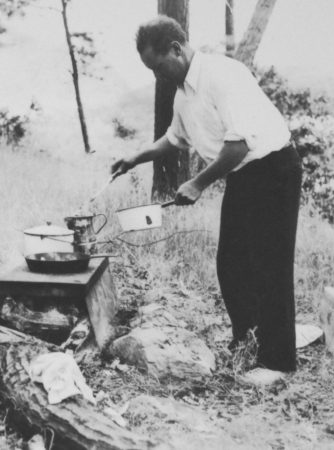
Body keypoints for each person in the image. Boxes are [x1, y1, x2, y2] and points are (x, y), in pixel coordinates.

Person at [111, 16, 302, 384]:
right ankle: (247, 338)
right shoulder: (183, 92)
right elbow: (174, 138)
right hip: (244, 174)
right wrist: (136, 157)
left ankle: (278, 363)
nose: (158, 75)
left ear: (176, 49)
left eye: (159, 66)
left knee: (270, 264)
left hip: (274, 168)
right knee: (231, 261)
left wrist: (197, 184)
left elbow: (239, 144)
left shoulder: (222, 75)